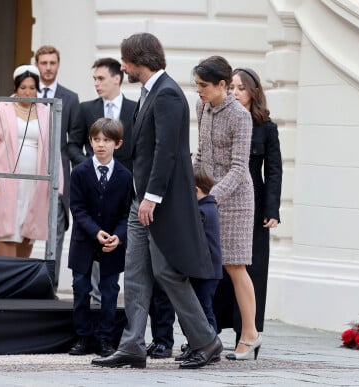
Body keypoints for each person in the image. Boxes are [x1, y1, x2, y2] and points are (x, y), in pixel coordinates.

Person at [92, 32, 222, 370]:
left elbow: (167, 152)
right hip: (142, 202)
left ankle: (206, 340)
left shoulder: (167, 94)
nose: (122, 66)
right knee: (134, 274)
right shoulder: (151, 92)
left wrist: (150, 197)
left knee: (167, 272)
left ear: (138, 60)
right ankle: (133, 346)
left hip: (158, 204)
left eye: (125, 60)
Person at [192, 56, 261, 361]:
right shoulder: (201, 106)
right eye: (196, 85)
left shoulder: (241, 116)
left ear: (222, 85)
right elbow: (200, 153)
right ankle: (205, 334)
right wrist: (192, 188)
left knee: (234, 266)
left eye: (203, 86)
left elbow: (238, 167)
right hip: (206, 195)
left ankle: (250, 334)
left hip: (235, 199)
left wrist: (211, 196)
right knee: (204, 267)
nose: (198, 91)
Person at [212, 67, 282, 345]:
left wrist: (272, 209)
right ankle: (211, 331)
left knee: (249, 269)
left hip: (253, 206)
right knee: (217, 268)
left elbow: (274, 170)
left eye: (240, 88)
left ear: (253, 91)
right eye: (232, 88)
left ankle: (247, 333)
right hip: (221, 199)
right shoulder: (223, 119)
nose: (235, 93)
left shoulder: (267, 127)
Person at [67, 57, 137, 305]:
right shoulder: (85, 108)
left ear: (117, 78)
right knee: (87, 258)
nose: (96, 83)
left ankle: (109, 314)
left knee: (115, 256)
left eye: (101, 78)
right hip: (90, 183)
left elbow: (139, 148)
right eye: (94, 79)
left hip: (123, 186)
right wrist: (87, 164)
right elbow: (73, 143)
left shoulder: (135, 109)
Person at [0, 64, 63, 258]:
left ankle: (22, 284)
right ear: (16, 87)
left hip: (35, 182)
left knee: (29, 232)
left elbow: (54, 151)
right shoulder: (1, 108)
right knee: (7, 231)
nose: (28, 92)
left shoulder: (46, 112)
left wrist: (57, 186)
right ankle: (5, 283)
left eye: (32, 88)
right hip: (5, 181)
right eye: (23, 87)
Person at [67, 118, 132, 357]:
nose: (101, 145)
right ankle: (83, 337)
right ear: (90, 141)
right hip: (84, 240)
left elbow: (127, 213)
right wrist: (95, 231)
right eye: (96, 140)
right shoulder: (80, 172)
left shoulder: (125, 176)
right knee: (81, 288)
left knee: (109, 291)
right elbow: (77, 208)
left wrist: (118, 236)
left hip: (112, 244)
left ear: (118, 143)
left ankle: (106, 338)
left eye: (107, 140)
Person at [34, 45, 80, 290]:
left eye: (52, 62)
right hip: (29, 172)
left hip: (59, 173)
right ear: (37, 64)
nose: (48, 67)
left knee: (56, 233)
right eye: (44, 63)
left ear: (58, 65)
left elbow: (73, 142)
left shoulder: (70, 98)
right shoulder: (26, 91)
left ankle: (49, 287)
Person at [175, 165, 223, 362]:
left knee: (202, 310)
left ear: (195, 191)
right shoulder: (207, 208)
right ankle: (197, 344)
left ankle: (209, 345)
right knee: (200, 308)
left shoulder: (203, 212)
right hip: (206, 271)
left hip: (206, 273)